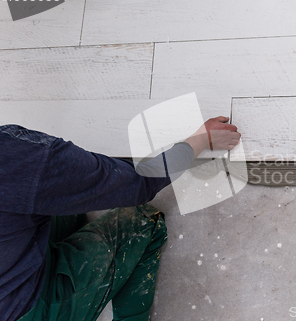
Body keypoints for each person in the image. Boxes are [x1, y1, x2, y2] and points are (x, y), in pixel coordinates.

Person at [0, 116, 241, 321]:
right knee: (142, 221)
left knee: (66, 203)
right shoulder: (20, 159)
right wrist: (200, 140)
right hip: (23, 310)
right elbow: (140, 183)